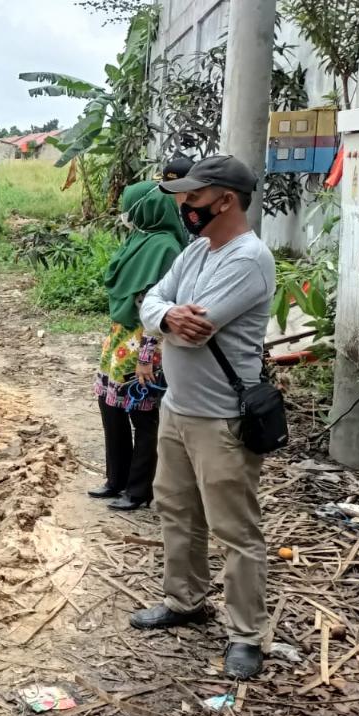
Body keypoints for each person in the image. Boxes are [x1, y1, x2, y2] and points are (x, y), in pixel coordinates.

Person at [132, 156, 276, 680]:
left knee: (235, 530)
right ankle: (185, 601)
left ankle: (246, 635)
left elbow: (201, 327)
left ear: (225, 201)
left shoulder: (248, 259)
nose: (184, 206)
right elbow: (152, 304)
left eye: (193, 198)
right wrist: (165, 314)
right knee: (177, 512)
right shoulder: (195, 251)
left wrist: (167, 317)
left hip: (221, 420)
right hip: (177, 408)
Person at [88, 181, 187, 511]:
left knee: (143, 417)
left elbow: (160, 307)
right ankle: (115, 478)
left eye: (129, 206)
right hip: (119, 341)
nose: (125, 214)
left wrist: (147, 355)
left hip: (146, 343)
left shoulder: (166, 248)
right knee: (110, 407)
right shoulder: (138, 240)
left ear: (148, 208)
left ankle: (138, 489)